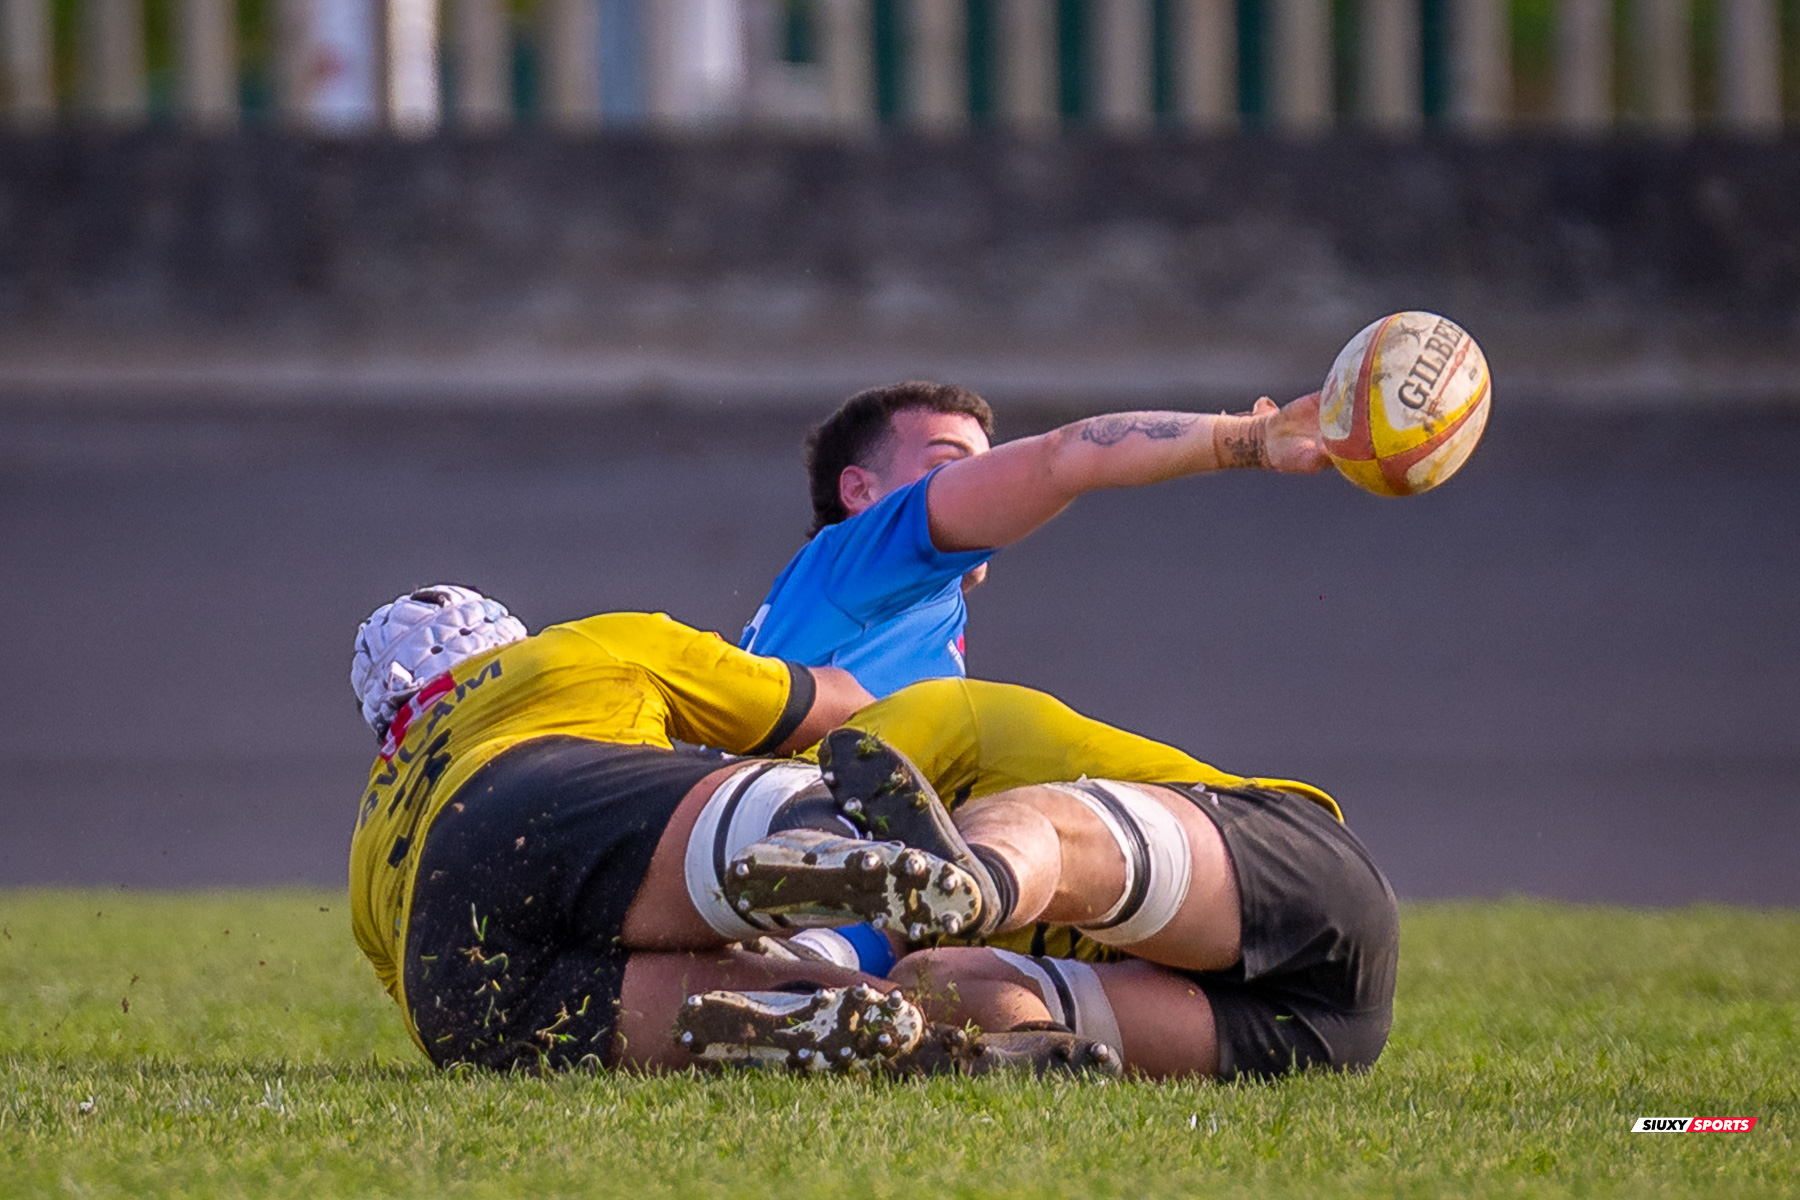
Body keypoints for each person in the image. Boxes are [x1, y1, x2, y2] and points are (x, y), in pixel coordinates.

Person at [346, 585, 1114, 1075]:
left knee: (703, 1004)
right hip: (529, 799)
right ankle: (827, 840)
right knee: (776, 804)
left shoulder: (373, 821)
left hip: (447, 988)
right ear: (504, 637)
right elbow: (825, 710)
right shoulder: (569, 650)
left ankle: (897, 1038)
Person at [710, 678, 1398, 1081]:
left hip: (1304, 887)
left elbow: (804, 814)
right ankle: (960, 1043)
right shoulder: (887, 875)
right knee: (933, 979)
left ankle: (982, 884)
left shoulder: (907, 729)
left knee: (1028, 822)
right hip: (1318, 1035)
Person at [740, 380, 1330, 697]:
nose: (979, 482)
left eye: (985, 464)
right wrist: (1254, 439)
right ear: (860, 492)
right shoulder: (864, 554)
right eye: (950, 464)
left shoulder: (889, 602)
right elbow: (1063, 458)